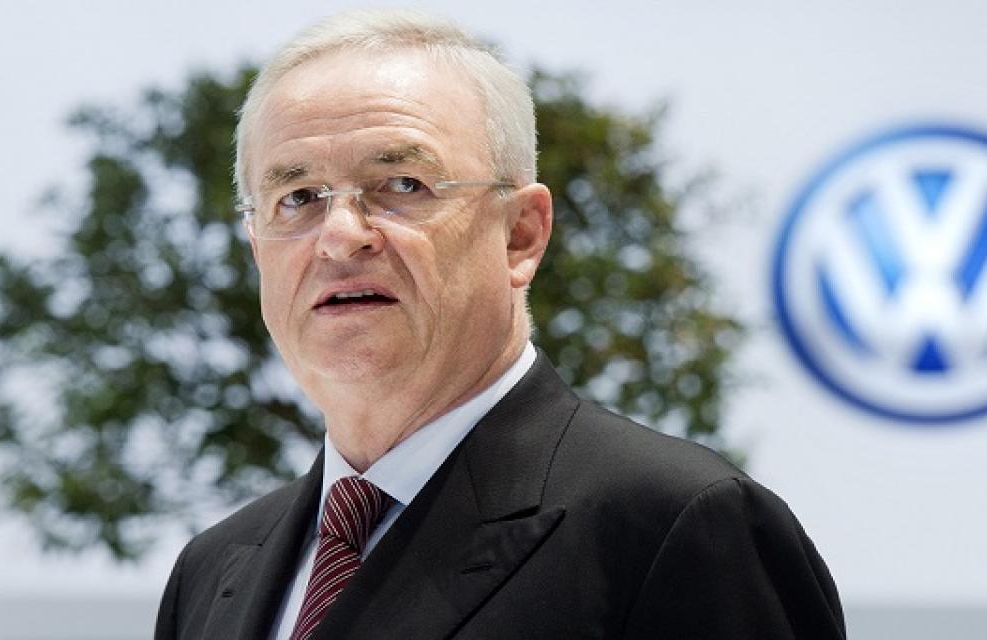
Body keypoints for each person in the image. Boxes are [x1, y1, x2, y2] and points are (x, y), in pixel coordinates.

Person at [154, 9, 845, 640]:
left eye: (402, 185)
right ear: (256, 246)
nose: (339, 236)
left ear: (520, 235)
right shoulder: (210, 573)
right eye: (298, 196)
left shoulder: (677, 524)